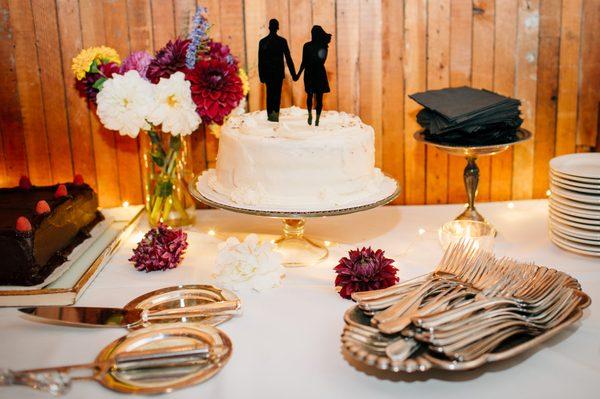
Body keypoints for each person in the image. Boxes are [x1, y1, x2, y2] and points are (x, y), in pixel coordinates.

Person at [258, 19, 296, 122]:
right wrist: (294, 74)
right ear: (277, 27)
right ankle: (274, 117)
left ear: (269, 27)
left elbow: (260, 61)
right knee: (276, 96)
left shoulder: (263, 42)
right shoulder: (282, 41)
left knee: (270, 95)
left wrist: (261, 76)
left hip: (268, 74)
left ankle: (272, 117)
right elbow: (288, 58)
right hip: (277, 74)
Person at [294, 25, 332, 126]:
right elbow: (304, 61)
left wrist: (300, 72)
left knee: (316, 97)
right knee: (311, 96)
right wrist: (298, 74)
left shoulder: (321, 46)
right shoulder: (309, 46)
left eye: (314, 33)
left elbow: (320, 61)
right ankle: (311, 115)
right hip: (313, 73)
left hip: (315, 73)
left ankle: (317, 119)